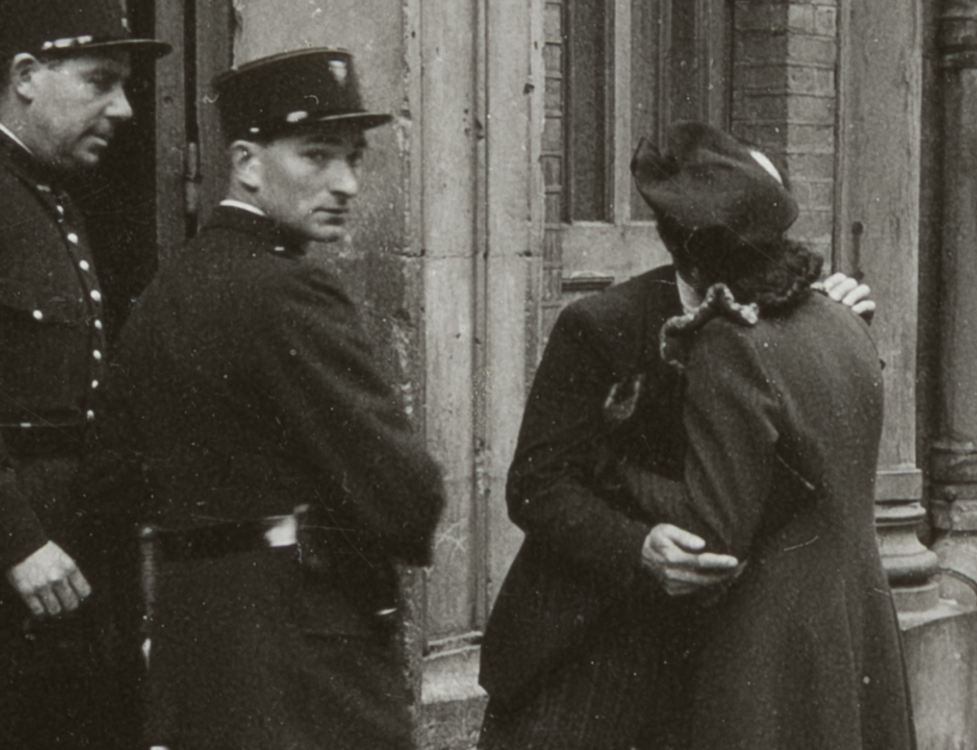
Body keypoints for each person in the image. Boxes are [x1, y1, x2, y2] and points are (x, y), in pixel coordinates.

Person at [84, 48, 445, 750]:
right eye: (317, 156)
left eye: (354, 158)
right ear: (247, 163)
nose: (343, 183)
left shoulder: (162, 294)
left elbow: (110, 488)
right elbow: (407, 497)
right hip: (305, 664)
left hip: (196, 660)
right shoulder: (291, 292)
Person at [478, 121, 876, 749]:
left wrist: (825, 329)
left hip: (707, 659)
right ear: (685, 252)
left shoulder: (793, 315)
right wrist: (637, 546)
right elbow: (533, 486)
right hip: (591, 650)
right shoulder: (601, 326)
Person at [618, 121, 915, 750]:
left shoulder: (730, 344)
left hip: (772, 651)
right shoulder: (845, 318)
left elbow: (713, 535)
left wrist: (619, 471)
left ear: (688, 254)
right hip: (857, 623)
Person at [0, 2, 169, 747]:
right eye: (100, 81)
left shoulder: (53, 201)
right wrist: (15, 539)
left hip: (71, 565)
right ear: (27, 77)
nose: (124, 108)